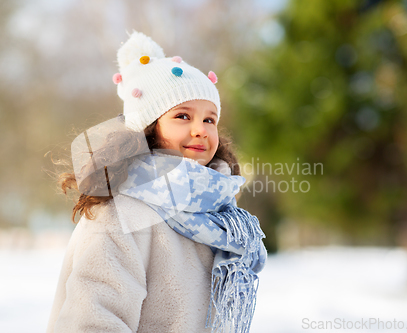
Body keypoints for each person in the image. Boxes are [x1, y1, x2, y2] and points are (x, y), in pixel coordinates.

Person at [47, 31, 267, 333]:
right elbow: (93, 321)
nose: (201, 129)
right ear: (148, 128)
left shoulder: (218, 216)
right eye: (182, 116)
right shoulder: (121, 213)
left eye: (209, 119)